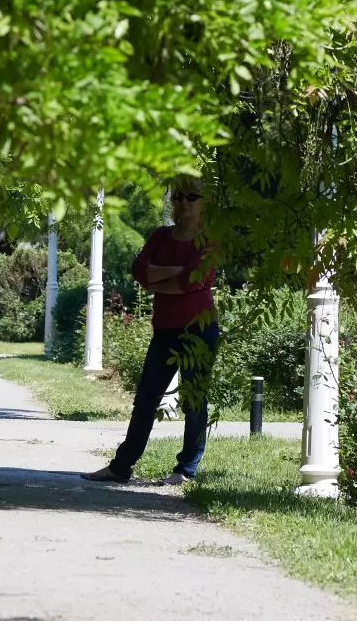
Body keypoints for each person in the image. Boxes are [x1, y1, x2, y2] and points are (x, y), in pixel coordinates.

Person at [82, 180, 219, 486]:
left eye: (192, 197)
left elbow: (191, 282)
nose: (184, 202)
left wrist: (161, 276)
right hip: (165, 330)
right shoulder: (160, 236)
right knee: (145, 398)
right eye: (179, 196)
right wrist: (175, 272)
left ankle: (185, 469)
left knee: (193, 400)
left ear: (204, 203)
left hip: (199, 329)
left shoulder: (208, 241)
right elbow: (140, 272)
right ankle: (121, 467)